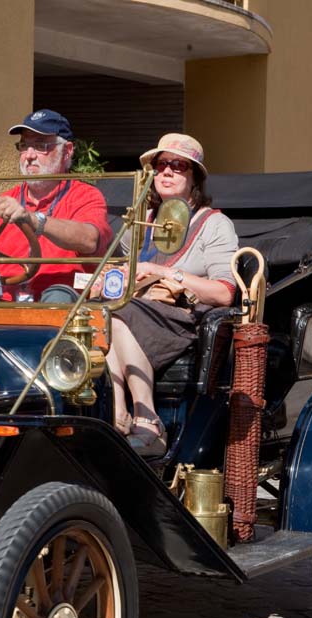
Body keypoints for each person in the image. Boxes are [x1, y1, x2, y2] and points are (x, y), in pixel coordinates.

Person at [108, 133, 238, 456]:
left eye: (178, 166)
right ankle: (115, 412)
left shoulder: (214, 224)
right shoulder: (142, 222)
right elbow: (118, 266)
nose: (166, 172)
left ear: (195, 179)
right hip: (141, 309)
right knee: (99, 314)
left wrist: (165, 272)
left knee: (123, 314)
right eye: (160, 164)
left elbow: (224, 293)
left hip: (184, 318)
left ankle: (148, 420)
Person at [0, 110, 113, 300]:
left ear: (67, 151)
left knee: (57, 298)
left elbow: (89, 240)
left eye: (40, 146)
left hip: (59, 302)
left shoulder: (85, 196)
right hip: (2, 301)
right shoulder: (5, 201)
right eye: (24, 146)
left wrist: (33, 219)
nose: (29, 155)